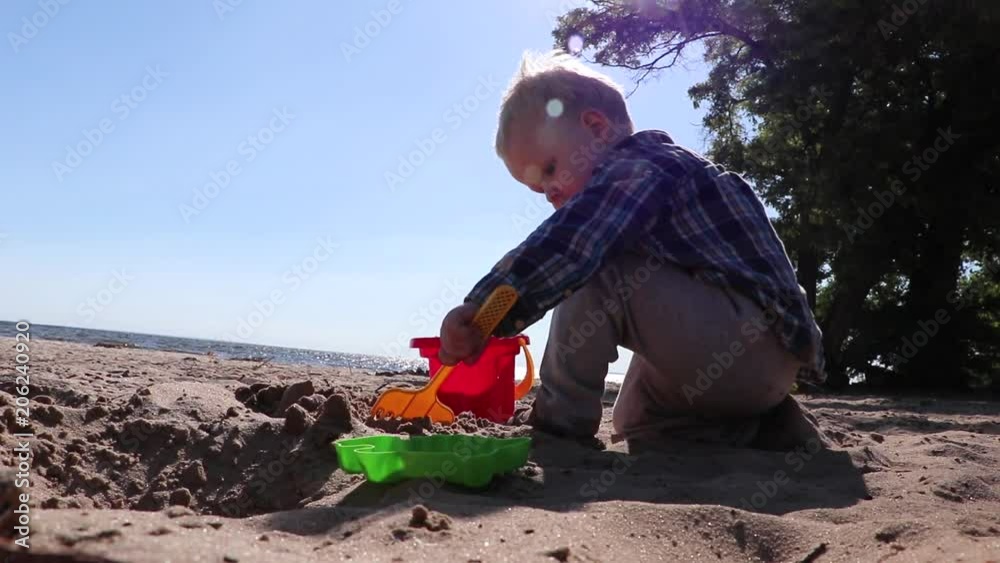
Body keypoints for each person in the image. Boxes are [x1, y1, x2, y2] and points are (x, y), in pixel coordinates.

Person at [437, 50, 828, 451]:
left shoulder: (643, 166)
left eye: (550, 170)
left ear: (596, 127)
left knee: (597, 271)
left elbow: (570, 244)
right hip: (752, 364)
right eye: (540, 191)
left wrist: (485, 308)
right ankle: (756, 428)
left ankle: (558, 429)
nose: (551, 194)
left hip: (750, 341)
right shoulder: (655, 183)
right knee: (632, 420)